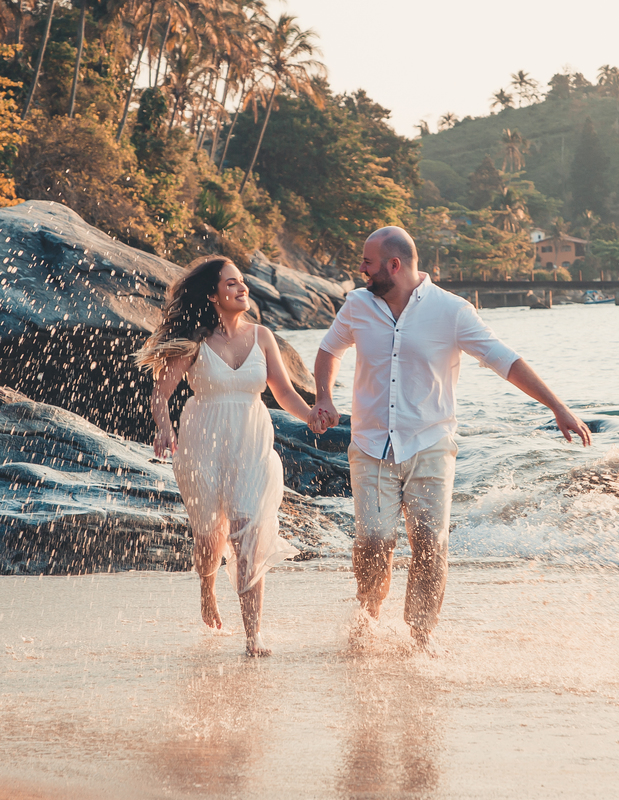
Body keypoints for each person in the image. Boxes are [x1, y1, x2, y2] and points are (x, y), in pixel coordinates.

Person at [308, 226, 591, 652]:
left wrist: (557, 406)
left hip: (430, 445)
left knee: (429, 542)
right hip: (370, 446)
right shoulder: (357, 306)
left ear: (394, 266)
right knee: (372, 541)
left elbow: (505, 360)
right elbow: (330, 351)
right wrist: (324, 397)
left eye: (367, 262)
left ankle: (421, 635)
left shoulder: (452, 311)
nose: (360, 269)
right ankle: (367, 618)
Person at [138, 256, 315, 657]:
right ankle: (207, 587)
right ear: (212, 294)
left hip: (251, 443)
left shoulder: (263, 336)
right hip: (202, 443)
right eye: (231, 283)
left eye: (242, 282)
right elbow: (160, 394)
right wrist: (164, 428)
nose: (242, 288)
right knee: (209, 538)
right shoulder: (195, 340)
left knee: (248, 531)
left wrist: (312, 416)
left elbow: (284, 394)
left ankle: (253, 637)